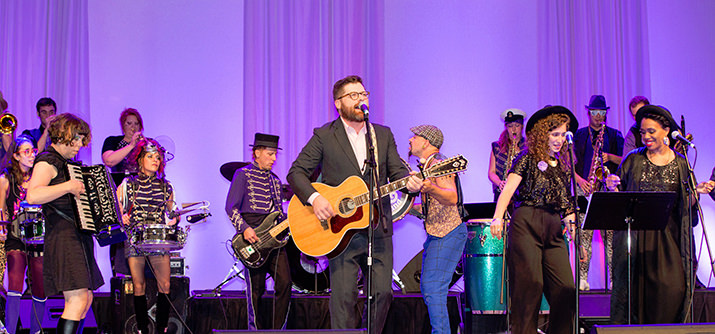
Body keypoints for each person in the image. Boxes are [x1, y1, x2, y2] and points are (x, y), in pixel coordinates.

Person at [287, 75, 421, 333]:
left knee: (383, 294)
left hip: (378, 227)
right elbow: (296, 173)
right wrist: (316, 199)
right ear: (338, 103)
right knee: (343, 300)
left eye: (364, 94)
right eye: (353, 95)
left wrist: (410, 182)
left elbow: (397, 173)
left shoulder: (382, 134)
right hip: (339, 231)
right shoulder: (325, 135)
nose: (361, 99)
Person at [605, 105, 713, 324]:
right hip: (638, 242)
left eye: (651, 131)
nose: (646, 137)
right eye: (643, 132)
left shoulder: (682, 163)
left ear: (666, 131)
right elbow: (620, 197)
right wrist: (611, 185)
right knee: (637, 295)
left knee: (673, 290)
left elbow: (686, 206)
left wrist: (696, 193)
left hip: (670, 240)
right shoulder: (633, 160)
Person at [490, 105, 578, 334]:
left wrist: (571, 220)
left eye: (562, 134)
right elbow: (508, 189)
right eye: (554, 134)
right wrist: (497, 217)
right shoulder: (527, 157)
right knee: (531, 285)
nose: (559, 139)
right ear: (543, 134)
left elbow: (566, 200)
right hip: (526, 222)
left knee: (566, 287)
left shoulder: (563, 166)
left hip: (553, 227)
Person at [26, 113, 103, 333]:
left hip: (77, 236)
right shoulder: (47, 160)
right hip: (63, 236)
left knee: (85, 299)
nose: (80, 145)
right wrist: (68, 187)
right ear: (63, 135)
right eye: (77, 139)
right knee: (76, 300)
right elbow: (33, 195)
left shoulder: (67, 164)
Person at [225, 133, 291, 330]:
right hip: (252, 234)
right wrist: (244, 229)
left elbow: (278, 213)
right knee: (256, 289)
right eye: (270, 154)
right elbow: (231, 207)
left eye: (274, 155)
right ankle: (256, 330)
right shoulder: (242, 174)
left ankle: (279, 329)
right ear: (257, 153)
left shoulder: (276, 180)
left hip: (274, 237)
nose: (274, 158)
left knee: (285, 283)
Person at [408, 124, 466, 334]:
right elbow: (432, 205)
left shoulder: (440, 163)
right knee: (429, 287)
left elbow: (451, 197)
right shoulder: (428, 165)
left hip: (448, 232)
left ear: (426, 141)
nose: (410, 140)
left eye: (415, 136)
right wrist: (405, 210)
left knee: (433, 287)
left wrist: (430, 187)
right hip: (438, 233)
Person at [117, 138, 177, 334]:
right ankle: (142, 329)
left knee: (165, 284)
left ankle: (161, 328)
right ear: (140, 159)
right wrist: (122, 216)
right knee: (138, 285)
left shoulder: (166, 186)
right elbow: (116, 208)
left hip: (158, 238)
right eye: (150, 157)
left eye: (158, 157)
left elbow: (172, 211)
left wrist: (174, 219)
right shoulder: (128, 184)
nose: (155, 160)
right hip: (135, 237)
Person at [573, 94, 624, 290]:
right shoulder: (578, 135)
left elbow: (626, 160)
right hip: (583, 188)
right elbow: (569, 163)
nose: (598, 116)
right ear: (588, 112)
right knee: (583, 236)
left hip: (606, 192)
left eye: (602, 112)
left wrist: (609, 156)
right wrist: (580, 181)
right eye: (594, 112)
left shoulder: (615, 134)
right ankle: (583, 279)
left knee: (610, 238)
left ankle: (614, 280)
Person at [1, 137, 46, 334]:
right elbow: (0, 209)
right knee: (15, 281)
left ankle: (36, 330)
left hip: (38, 239)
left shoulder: (40, 178)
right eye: (25, 151)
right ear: (16, 155)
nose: (31, 155)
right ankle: (10, 330)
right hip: (14, 238)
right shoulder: (5, 179)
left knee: (40, 286)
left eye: (32, 151)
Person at [102, 108, 145, 276]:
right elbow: (109, 160)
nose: (133, 127)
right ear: (122, 126)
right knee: (119, 238)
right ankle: (119, 275)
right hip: (118, 198)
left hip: (140, 197)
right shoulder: (113, 141)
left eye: (136, 123)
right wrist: (132, 145)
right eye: (129, 123)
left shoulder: (146, 145)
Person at [488, 108, 527, 202]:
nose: (514, 129)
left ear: (522, 127)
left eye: (517, 126)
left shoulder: (528, 146)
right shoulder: (497, 146)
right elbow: (491, 172)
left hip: (523, 194)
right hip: (501, 192)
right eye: (510, 126)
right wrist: (499, 183)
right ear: (506, 127)